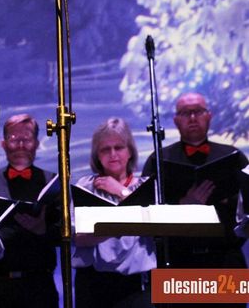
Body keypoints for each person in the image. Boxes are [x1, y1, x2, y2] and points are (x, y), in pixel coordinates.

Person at [142, 93, 248, 273]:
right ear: (176, 120)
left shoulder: (234, 156)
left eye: (198, 111)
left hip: (227, 259)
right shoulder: (158, 160)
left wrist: (226, 200)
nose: (192, 118)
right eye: (185, 113)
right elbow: (146, 212)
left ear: (209, 116)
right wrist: (182, 205)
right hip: (175, 261)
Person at [72, 117, 156, 308]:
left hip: (138, 286)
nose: (113, 154)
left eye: (119, 147)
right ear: (97, 155)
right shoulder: (85, 186)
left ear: (130, 151)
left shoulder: (146, 186)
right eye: (105, 149)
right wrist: (119, 226)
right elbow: (78, 237)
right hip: (93, 285)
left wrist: (121, 192)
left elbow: (154, 228)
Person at [0, 114, 60, 308]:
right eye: (13, 139)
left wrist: (43, 230)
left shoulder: (52, 182)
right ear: (3, 144)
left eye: (26, 139)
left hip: (40, 286)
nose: (20, 145)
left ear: (36, 143)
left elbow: (65, 235)